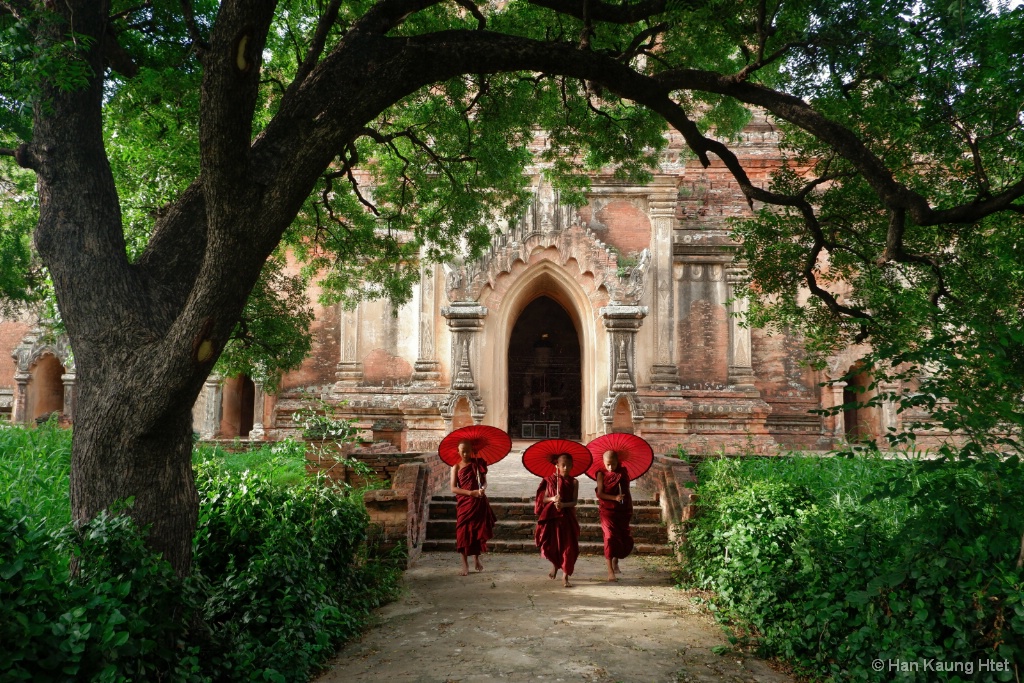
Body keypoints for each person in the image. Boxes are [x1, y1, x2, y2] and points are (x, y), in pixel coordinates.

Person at [450, 439, 496, 576]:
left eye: (468, 450)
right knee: (462, 532)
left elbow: (485, 482)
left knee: (477, 531)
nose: (465, 453)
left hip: (479, 502)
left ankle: (476, 559)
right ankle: (464, 565)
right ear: (458, 451)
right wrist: (470, 493)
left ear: (472, 451)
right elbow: (453, 488)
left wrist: (482, 489)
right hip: (465, 502)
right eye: (462, 451)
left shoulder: (478, 464)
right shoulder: (456, 467)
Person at [534, 453, 580, 587]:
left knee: (569, 546)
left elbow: (574, 502)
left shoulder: (574, 482)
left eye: (569, 465)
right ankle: (555, 564)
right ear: (557, 466)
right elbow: (543, 499)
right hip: (553, 517)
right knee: (555, 544)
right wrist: (553, 499)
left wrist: (563, 505)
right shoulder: (550, 480)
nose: (566, 468)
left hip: (567, 517)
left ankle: (565, 576)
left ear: (572, 466)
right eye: (563, 465)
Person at [594, 449, 634, 581]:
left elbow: (626, 490)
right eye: (608, 464)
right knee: (610, 537)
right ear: (603, 463)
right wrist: (614, 498)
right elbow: (600, 493)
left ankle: (616, 560)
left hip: (623, 509)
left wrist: (626, 503)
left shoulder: (623, 472)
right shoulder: (601, 474)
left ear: (618, 462)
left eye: (613, 464)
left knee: (621, 537)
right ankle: (610, 570)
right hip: (608, 510)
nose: (610, 467)